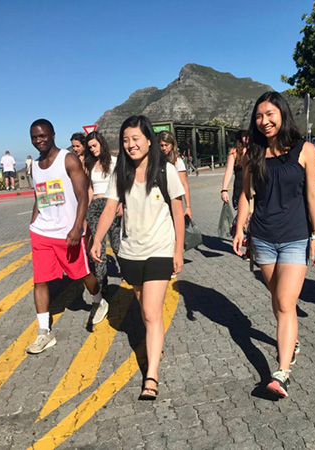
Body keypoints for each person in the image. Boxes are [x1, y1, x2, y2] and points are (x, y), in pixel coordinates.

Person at [232, 92, 315, 399]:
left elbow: (313, 196)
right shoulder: (253, 153)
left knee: (285, 302)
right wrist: (239, 228)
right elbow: (246, 195)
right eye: (259, 116)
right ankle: (291, 339)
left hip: (296, 237)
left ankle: (281, 372)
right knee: (278, 300)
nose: (264, 121)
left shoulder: (305, 150)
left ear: (282, 114)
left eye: (269, 114)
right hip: (263, 238)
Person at [90, 115, 185, 400]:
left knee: (150, 313)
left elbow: (178, 212)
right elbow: (109, 210)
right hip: (130, 253)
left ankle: (151, 375)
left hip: (160, 249)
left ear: (148, 140)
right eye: (126, 140)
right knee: (146, 311)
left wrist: (178, 250)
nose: (131, 145)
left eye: (136, 139)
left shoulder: (165, 171)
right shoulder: (120, 173)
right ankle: (156, 344)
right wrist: (97, 239)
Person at [27, 119, 100, 354]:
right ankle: (44, 333)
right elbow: (39, 196)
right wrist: (33, 221)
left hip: (67, 233)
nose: (39, 141)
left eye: (43, 136)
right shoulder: (34, 166)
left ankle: (99, 299)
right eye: (34, 137)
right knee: (40, 280)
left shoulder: (67, 160)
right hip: (42, 232)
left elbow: (83, 196)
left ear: (53, 135)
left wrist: (77, 227)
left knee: (82, 274)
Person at [84, 130, 120, 321]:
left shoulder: (113, 161)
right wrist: (87, 210)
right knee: (98, 250)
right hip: (95, 207)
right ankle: (102, 284)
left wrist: (121, 203)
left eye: (95, 145)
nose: (92, 149)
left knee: (116, 244)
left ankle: (129, 275)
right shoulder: (89, 164)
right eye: (90, 147)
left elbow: (121, 184)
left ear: (101, 144)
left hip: (110, 205)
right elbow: (89, 188)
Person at [158, 130, 192, 218]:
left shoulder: (177, 161)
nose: (164, 148)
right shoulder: (156, 161)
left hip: (173, 200)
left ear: (172, 145)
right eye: (161, 145)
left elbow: (184, 184)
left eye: (166, 145)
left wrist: (188, 206)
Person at [221, 130, 249, 209]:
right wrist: (224, 190)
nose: (246, 137)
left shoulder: (258, 150)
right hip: (240, 189)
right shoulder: (235, 151)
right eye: (244, 134)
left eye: (249, 134)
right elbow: (229, 171)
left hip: (256, 190)